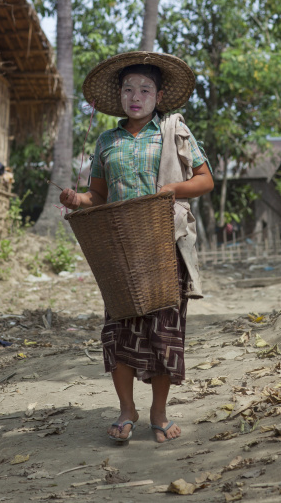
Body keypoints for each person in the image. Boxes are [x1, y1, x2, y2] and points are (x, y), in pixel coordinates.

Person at [59, 51, 214, 444]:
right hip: (120, 251)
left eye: (145, 89)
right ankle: (126, 410)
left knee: (164, 333)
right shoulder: (106, 141)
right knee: (118, 330)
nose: (136, 96)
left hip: (163, 246)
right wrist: (77, 200)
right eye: (129, 89)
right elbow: (98, 195)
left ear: (159, 96)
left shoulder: (172, 133)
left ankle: (158, 412)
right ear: (120, 96)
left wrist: (172, 189)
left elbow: (205, 181)